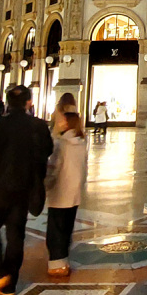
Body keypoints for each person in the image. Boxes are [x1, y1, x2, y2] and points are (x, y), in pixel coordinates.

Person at [0, 85, 51, 295]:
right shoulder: (39, 126)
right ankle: (9, 286)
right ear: (29, 103)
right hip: (24, 190)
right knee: (15, 235)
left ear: (8, 103)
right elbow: (47, 151)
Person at [45, 107, 88, 276]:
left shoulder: (61, 144)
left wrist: (45, 185)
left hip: (60, 191)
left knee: (56, 227)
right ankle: (64, 259)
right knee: (67, 227)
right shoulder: (81, 143)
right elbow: (84, 168)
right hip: (74, 192)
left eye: (63, 120)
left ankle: (56, 264)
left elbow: (53, 169)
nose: (60, 123)